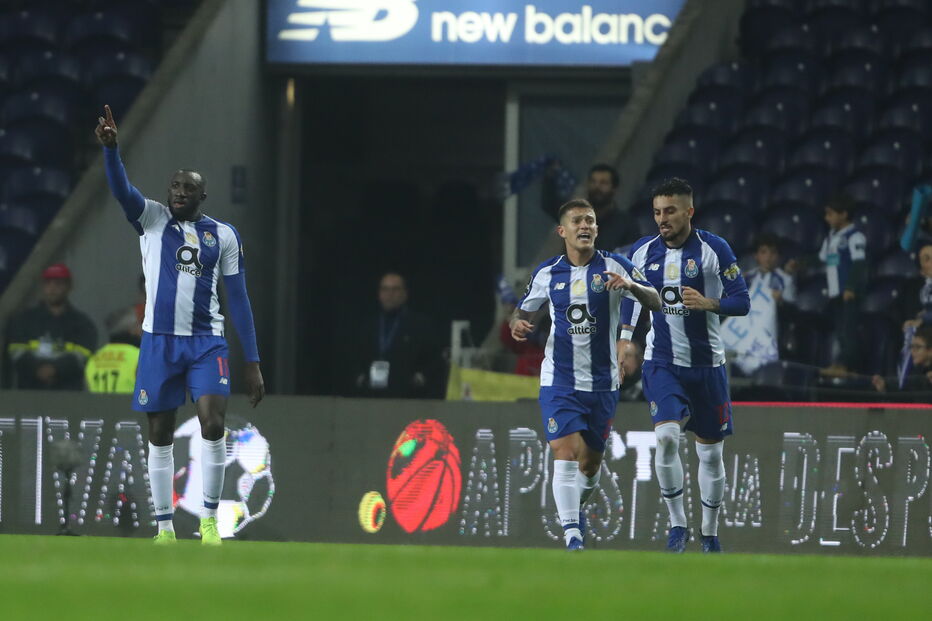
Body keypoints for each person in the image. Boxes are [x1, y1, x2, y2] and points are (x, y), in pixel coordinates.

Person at [95, 105, 264, 545]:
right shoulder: (151, 219)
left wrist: (252, 361)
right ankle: (165, 528)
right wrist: (111, 150)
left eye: (188, 188)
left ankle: (209, 521)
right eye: (174, 186)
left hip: (207, 343)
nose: (179, 192)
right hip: (159, 342)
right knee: (159, 432)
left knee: (213, 424)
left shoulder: (223, 235)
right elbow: (122, 191)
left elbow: (238, 298)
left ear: (202, 196)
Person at [511, 198, 660, 550]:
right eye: (577, 220)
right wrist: (517, 323)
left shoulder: (615, 265)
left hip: (602, 382)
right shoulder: (548, 273)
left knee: (590, 466)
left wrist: (631, 288)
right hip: (559, 380)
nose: (585, 226)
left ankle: (572, 512)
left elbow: (654, 299)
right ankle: (573, 536)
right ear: (562, 231)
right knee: (564, 452)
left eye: (590, 220)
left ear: (596, 228)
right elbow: (522, 311)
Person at [619, 177, 750, 553]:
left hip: (707, 366)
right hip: (662, 363)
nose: (663, 219)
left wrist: (710, 303)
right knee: (665, 439)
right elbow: (632, 296)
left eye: (670, 211)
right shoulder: (642, 252)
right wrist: (626, 338)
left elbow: (742, 301)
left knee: (710, 454)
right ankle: (678, 526)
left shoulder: (714, 249)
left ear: (689, 212)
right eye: (657, 212)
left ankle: (709, 532)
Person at [350, 272, 442, 398]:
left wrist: (420, 378)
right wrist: (359, 378)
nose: (390, 294)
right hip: (370, 395)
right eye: (385, 289)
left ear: (405, 294)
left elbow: (434, 359)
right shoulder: (368, 326)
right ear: (379, 294)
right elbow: (355, 358)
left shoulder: (421, 325)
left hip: (409, 396)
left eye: (395, 289)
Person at [6, 263, 98, 390]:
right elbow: (16, 351)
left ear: (69, 287)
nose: (52, 288)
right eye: (48, 283)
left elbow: (84, 355)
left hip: (68, 394)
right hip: (29, 394)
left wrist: (55, 369)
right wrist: (37, 368)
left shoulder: (82, 324)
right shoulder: (24, 320)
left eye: (58, 284)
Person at [721, 234, 796, 375]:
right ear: (756, 256)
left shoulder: (785, 279)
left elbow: (792, 310)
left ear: (779, 257)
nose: (768, 257)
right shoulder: (747, 277)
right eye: (763, 252)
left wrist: (780, 301)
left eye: (773, 253)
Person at [819, 194, 867, 376]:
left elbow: (859, 263)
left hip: (848, 293)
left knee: (848, 331)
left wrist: (851, 287)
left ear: (844, 214)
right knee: (840, 331)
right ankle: (845, 365)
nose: (827, 218)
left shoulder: (855, 236)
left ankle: (849, 366)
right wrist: (800, 263)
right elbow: (821, 258)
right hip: (835, 293)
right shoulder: (831, 236)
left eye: (830, 214)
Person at [542, 163, 628, 251]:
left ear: (614, 188)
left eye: (603, 183)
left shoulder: (624, 224)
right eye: (593, 182)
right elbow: (549, 204)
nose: (597, 187)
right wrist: (550, 177)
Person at [871, 325, 932, 397]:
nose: (912, 351)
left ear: (930, 350)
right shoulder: (914, 372)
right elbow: (907, 398)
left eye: (917, 347)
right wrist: (883, 389)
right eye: (911, 347)